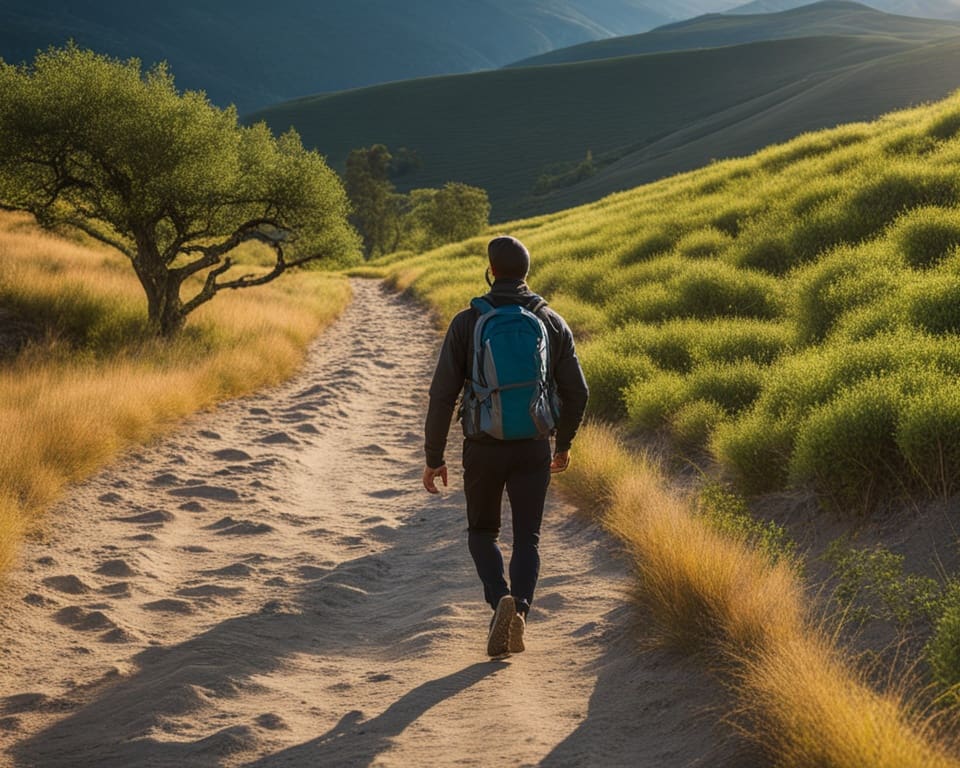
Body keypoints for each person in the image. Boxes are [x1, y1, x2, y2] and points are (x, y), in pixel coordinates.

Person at [422, 235, 589, 657]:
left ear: (491, 271)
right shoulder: (551, 321)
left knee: (482, 533)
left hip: (483, 446)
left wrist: (434, 457)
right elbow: (579, 392)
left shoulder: (467, 322)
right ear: (526, 273)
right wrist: (563, 443)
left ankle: (500, 602)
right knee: (527, 538)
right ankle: (521, 615)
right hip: (534, 444)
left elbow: (442, 395)